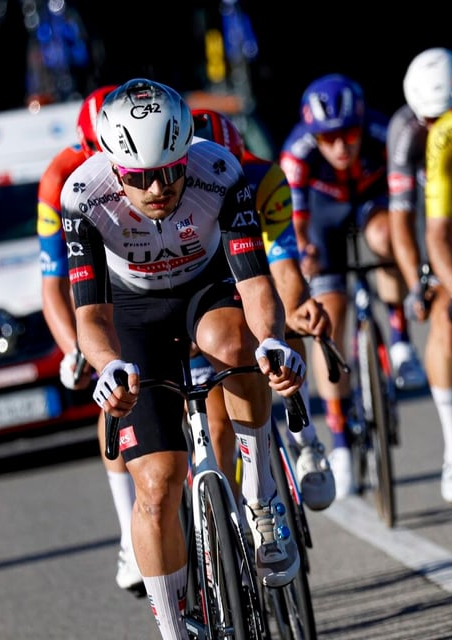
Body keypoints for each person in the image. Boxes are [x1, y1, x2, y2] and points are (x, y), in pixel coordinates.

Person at [61, 78, 305, 640]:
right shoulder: (82, 196)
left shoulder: (218, 171)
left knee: (240, 344)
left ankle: (262, 494)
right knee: (157, 487)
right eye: (140, 178)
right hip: (132, 312)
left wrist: (271, 340)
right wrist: (108, 367)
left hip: (207, 289)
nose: (159, 188)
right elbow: (92, 318)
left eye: (170, 170)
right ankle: (173, 630)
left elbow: (254, 283)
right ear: (112, 164)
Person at [190, 108, 337, 511]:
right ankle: (232, 520)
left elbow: (283, 261)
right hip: (203, 283)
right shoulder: (171, 190)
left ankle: (305, 439)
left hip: (254, 268)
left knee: (291, 322)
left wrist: (298, 304)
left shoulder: (264, 179)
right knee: (218, 420)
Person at [35, 83, 151, 594]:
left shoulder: (143, 161)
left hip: (154, 267)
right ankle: (130, 533)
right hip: (99, 283)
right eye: (92, 152)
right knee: (114, 392)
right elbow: (52, 282)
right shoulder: (59, 179)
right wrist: (72, 350)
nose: (100, 164)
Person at [278, 74, 405, 499]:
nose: (340, 146)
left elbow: (407, 202)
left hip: (372, 204)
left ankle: (401, 339)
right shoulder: (296, 153)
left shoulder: (381, 132)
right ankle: (341, 443)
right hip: (324, 215)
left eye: (347, 133)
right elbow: (293, 225)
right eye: (327, 138)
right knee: (327, 324)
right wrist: (304, 251)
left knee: (389, 239)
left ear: (360, 123)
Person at [386, 47, 452, 503]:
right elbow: (401, 220)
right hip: (437, 222)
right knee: (446, 314)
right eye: (430, 120)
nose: (439, 127)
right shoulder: (405, 132)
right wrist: (414, 283)